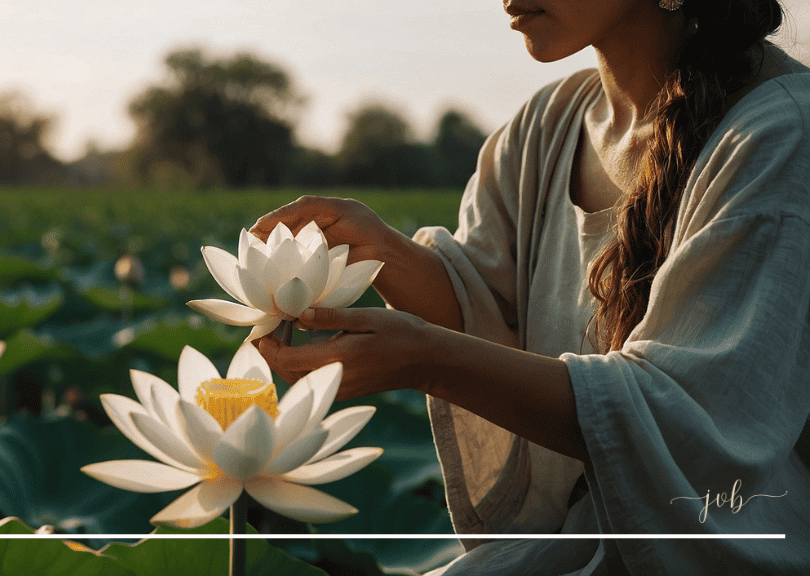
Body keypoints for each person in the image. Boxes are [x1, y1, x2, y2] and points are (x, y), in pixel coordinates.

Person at [251, 0, 810, 573]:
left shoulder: (782, 136)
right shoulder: (549, 123)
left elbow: (680, 425)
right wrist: (383, 252)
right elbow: (492, 313)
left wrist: (425, 360)